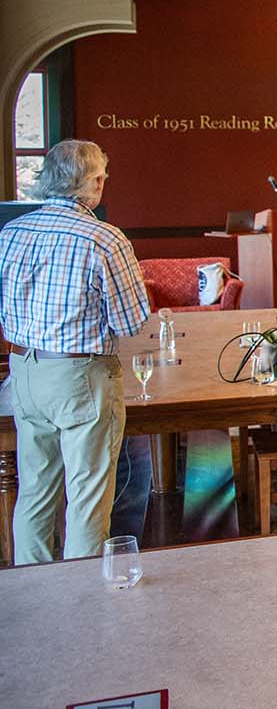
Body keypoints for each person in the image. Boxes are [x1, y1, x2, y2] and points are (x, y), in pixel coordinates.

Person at [0, 139, 151, 564]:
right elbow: (130, 322)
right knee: (87, 499)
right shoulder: (104, 239)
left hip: (23, 370)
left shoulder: (12, 233)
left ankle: (35, 599)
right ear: (96, 182)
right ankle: (82, 608)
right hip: (79, 376)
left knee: (34, 493)